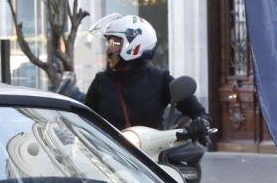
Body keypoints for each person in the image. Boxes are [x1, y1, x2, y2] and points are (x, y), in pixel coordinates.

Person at [82, 15, 210, 140]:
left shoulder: (160, 79)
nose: (108, 50)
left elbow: (200, 113)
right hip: (109, 156)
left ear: (133, 44)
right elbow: (84, 119)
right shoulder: (101, 81)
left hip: (150, 156)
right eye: (108, 43)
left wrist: (201, 123)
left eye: (114, 43)